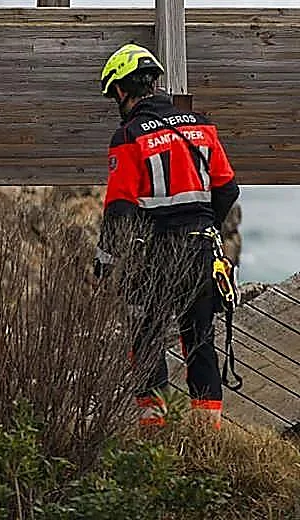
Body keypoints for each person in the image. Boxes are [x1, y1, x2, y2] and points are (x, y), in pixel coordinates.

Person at [95, 43, 240, 428]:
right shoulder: (201, 125)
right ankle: (207, 434)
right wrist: (208, 226)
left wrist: (104, 263)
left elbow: (120, 209)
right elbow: (227, 189)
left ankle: (154, 432)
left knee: (146, 339)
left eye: (114, 95)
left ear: (122, 90)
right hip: (202, 252)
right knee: (200, 340)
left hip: (154, 255)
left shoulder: (129, 135)